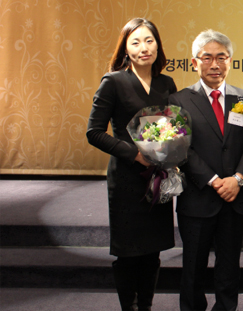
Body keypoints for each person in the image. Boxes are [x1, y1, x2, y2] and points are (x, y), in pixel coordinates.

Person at [87, 18, 177, 311]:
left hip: (158, 178)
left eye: (149, 40)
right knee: (128, 253)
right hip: (127, 179)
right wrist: (134, 154)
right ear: (126, 48)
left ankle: (145, 307)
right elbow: (94, 132)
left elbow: (175, 127)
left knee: (152, 252)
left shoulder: (166, 83)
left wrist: (172, 149)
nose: (143, 48)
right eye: (135, 42)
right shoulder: (113, 81)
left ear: (158, 45)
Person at [169, 30, 243, 311]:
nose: (215, 64)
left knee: (229, 266)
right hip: (198, 197)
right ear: (195, 62)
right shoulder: (179, 101)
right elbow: (181, 148)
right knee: (193, 266)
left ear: (230, 61)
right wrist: (214, 180)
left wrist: (238, 179)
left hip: (235, 197)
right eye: (207, 58)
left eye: (222, 57)